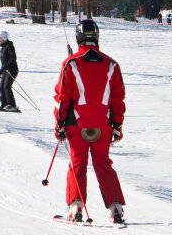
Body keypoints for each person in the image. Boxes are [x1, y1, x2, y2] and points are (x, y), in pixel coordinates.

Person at [53, 18, 126, 224]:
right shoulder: (112, 64)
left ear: (78, 38)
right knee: (103, 163)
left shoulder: (71, 63)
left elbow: (62, 98)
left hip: (77, 124)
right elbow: (118, 98)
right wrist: (117, 126)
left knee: (78, 163)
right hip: (103, 124)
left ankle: (75, 207)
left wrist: (59, 124)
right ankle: (116, 208)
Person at [0, 30, 20, 112]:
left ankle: (12, 105)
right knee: (1, 87)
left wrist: (4, 68)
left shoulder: (9, 46)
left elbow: (13, 59)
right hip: (6, 70)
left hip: (12, 69)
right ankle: (4, 104)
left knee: (6, 86)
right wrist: (1, 71)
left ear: (4, 38)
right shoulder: (3, 48)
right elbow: (4, 62)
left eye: (0, 38)